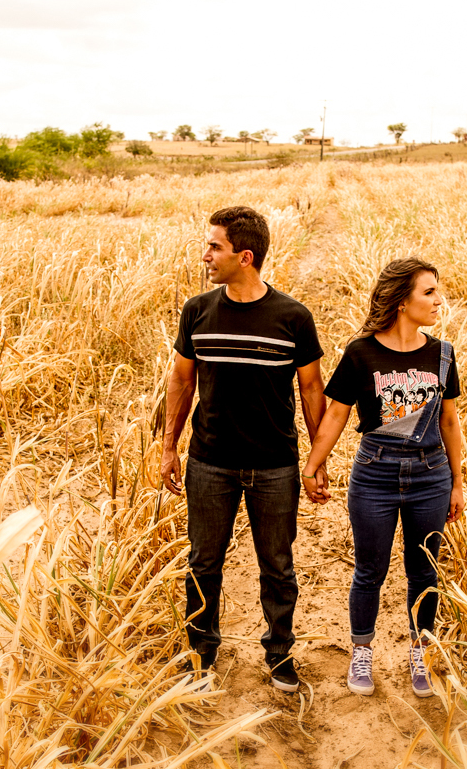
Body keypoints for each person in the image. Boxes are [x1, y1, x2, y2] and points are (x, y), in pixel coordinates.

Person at [161, 206, 328, 693]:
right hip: (209, 462)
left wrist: (317, 462)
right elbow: (181, 380)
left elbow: (312, 390)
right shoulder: (197, 311)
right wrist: (170, 448)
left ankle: (278, 654)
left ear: (246, 256)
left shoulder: (293, 317)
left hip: (274, 465)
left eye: (215, 246)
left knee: (277, 564)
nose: (205, 255)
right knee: (203, 562)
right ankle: (201, 652)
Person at [301, 257, 465, 698]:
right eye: (428, 292)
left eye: (436, 291)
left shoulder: (442, 353)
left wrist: (457, 482)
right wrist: (313, 464)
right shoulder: (361, 353)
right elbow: (337, 413)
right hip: (374, 474)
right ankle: (362, 652)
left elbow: (450, 422)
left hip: (431, 475)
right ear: (400, 301)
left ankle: (420, 653)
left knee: (424, 573)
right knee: (369, 571)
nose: (438, 300)